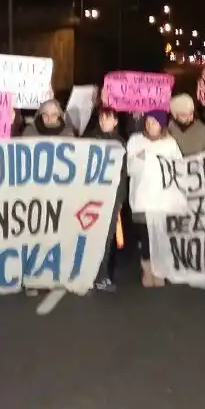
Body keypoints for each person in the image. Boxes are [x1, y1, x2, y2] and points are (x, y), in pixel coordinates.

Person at [126, 110, 182, 287]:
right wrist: (142, 157)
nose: (150, 125)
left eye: (154, 122)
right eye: (148, 122)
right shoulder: (135, 140)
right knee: (145, 237)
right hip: (142, 199)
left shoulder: (170, 143)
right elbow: (129, 168)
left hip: (162, 200)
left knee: (161, 237)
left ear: (162, 125)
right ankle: (147, 269)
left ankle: (160, 271)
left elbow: (178, 168)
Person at [86, 106, 127, 292]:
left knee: (107, 239)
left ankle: (101, 275)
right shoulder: (88, 140)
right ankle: (88, 275)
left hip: (111, 200)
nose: (104, 122)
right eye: (102, 118)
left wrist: (119, 200)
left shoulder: (121, 143)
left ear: (116, 121)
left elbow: (124, 175)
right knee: (90, 238)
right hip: (92, 198)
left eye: (108, 118)